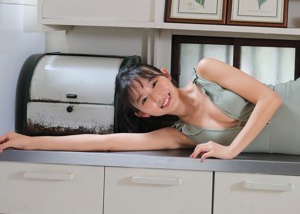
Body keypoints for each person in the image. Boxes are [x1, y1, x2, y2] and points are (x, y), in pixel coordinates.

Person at [0, 58, 299, 161]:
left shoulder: (208, 71)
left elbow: (269, 100)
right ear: (145, 114)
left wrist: (231, 150)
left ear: (166, 74)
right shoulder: (182, 136)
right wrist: (28, 141)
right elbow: (105, 142)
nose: (156, 97)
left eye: (154, 83)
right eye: (144, 100)